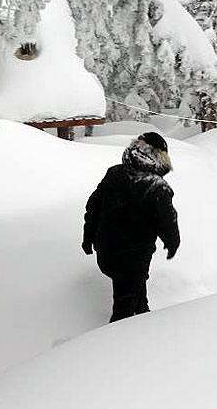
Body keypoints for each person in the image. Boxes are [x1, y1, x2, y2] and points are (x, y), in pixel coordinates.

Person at [82, 132, 181, 322]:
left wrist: (88, 237)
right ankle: (116, 343)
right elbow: (168, 221)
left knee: (134, 286)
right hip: (134, 258)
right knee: (122, 311)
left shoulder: (114, 174)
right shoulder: (157, 187)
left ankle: (143, 314)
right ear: (159, 157)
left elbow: (93, 206)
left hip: (107, 251)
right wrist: (172, 242)